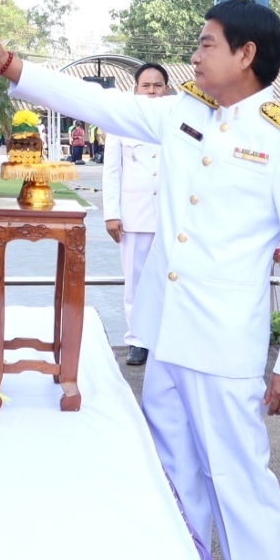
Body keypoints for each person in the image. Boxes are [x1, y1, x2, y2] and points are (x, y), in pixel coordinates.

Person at [0, 0, 280, 560]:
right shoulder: (184, 112)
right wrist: (12, 65)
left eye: (207, 43)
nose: (195, 56)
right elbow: (95, 103)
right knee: (177, 481)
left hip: (226, 343)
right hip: (169, 336)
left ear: (246, 55)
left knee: (241, 485)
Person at [102, 62, 170, 367]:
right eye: (147, 85)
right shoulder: (121, 122)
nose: (152, 91)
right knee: (136, 280)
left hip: (171, 217)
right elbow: (111, 171)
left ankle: (165, 340)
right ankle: (138, 340)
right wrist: (111, 214)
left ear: (167, 89)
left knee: (171, 279)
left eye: (158, 86)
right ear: (136, 89)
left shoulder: (179, 121)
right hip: (135, 215)